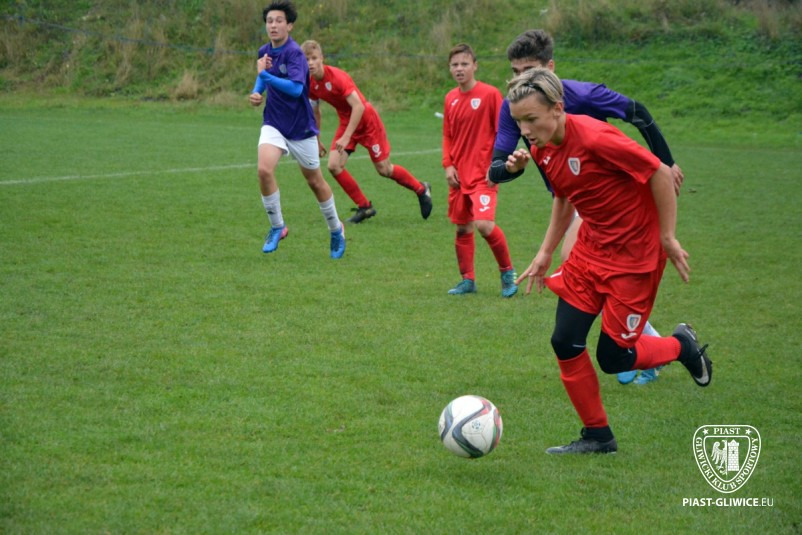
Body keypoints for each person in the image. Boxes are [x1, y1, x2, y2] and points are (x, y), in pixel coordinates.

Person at [506, 68, 712, 454]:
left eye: (531, 118)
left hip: (635, 257)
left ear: (558, 108)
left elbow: (659, 173)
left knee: (614, 357)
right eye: (519, 121)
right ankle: (598, 436)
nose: (525, 129)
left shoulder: (595, 137)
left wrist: (668, 237)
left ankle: (680, 347)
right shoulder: (540, 147)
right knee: (564, 340)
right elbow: (564, 196)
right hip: (591, 250)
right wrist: (546, 251)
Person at [489, 29, 683, 383]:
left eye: (528, 70)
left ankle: (633, 346)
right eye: (515, 72)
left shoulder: (583, 96)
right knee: (578, 270)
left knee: (575, 259)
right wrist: (512, 169)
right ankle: (630, 346)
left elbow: (637, 112)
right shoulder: (514, 106)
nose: (520, 79)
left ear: (550, 68)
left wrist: (666, 163)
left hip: (609, 199)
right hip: (570, 195)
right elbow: (496, 169)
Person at [249, 1, 345, 259]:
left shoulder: (295, 54)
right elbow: (262, 78)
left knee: (315, 181)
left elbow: (295, 89)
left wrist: (265, 76)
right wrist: (257, 92)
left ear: (289, 25)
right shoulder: (264, 51)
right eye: (269, 21)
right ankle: (277, 226)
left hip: (301, 129)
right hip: (274, 123)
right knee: (264, 170)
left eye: (279, 21)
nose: (273, 25)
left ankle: (336, 229)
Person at [300, 40, 433, 224]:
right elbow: (315, 112)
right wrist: (317, 139)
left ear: (322, 58)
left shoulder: (337, 77)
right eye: (306, 59)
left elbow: (359, 106)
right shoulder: (309, 83)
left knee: (384, 169)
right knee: (334, 165)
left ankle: (421, 189)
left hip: (367, 121)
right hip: (347, 121)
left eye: (314, 58)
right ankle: (364, 206)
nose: (311, 63)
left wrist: (346, 137)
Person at [442, 43, 517, 298]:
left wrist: (496, 166)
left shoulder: (490, 95)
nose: (459, 69)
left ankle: (507, 274)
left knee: (484, 225)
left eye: (464, 64)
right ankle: (468, 280)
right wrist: (448, 165)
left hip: (484, 174)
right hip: (458, 175)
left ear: (475, 66)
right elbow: (448, 135)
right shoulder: (450, 98)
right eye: (455, 64)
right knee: (463, 228)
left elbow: (503, 132)